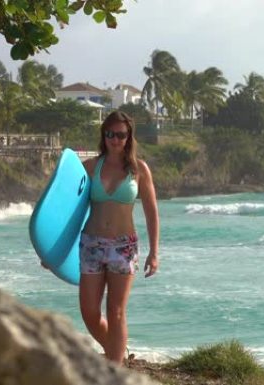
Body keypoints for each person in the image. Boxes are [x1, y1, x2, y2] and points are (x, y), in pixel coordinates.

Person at [79, 110, 160, 365]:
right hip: (91, 243)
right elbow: (69, 211)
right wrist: (52, 252)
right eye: (110, 134)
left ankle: (114, 370)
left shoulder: (139, 170)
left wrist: (154, 252)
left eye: (121, 135)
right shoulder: (90, 167)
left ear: (129, 137)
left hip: (124, 247)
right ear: (104, 135)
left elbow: (152, 213)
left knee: (116, 312)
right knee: (90, 313)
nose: (116, 139)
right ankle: (116, 351)